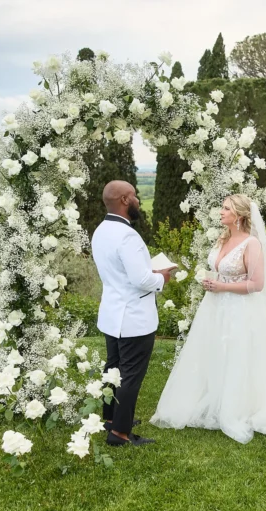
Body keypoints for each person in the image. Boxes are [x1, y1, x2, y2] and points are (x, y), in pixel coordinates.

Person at [150, 194, 266, 444]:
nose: (221, 212)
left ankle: (238, 405)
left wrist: (223, 286)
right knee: (213, 351)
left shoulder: (251, 244)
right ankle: (211, 397)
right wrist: (212, 282)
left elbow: (257, 284)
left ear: (239, 215)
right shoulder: (223, 238)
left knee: (237, 354)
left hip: (241, 310)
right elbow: (220, 271)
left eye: (226, 208)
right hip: (214, 307)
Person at [92, 180, 171, 446]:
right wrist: (161, 278)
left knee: (113, 368)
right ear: (125, 200)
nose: (137, 200)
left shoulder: (101, 230)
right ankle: (120, 433)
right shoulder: (127, 236)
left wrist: (148, 272)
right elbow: (140, 280)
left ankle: (111, 418)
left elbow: (120, 271)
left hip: (112, 313)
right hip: (134, 318)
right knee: (130, 375)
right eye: (134, 196)